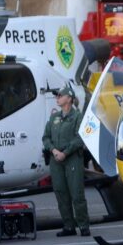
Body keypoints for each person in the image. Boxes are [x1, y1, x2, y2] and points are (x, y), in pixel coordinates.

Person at [43, 84, 90, 237]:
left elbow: (80, 137)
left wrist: (66, 152)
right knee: (61, 193)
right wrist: (54, 150)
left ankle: (83, 225)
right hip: (56, 159)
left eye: (60, 95)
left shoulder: (77, 117)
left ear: (69, 98)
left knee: (76, 193)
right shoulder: (54, 117)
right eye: (57, 96)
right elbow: (46, 137)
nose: (57, 98)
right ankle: (68, 226)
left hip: (72, 159)